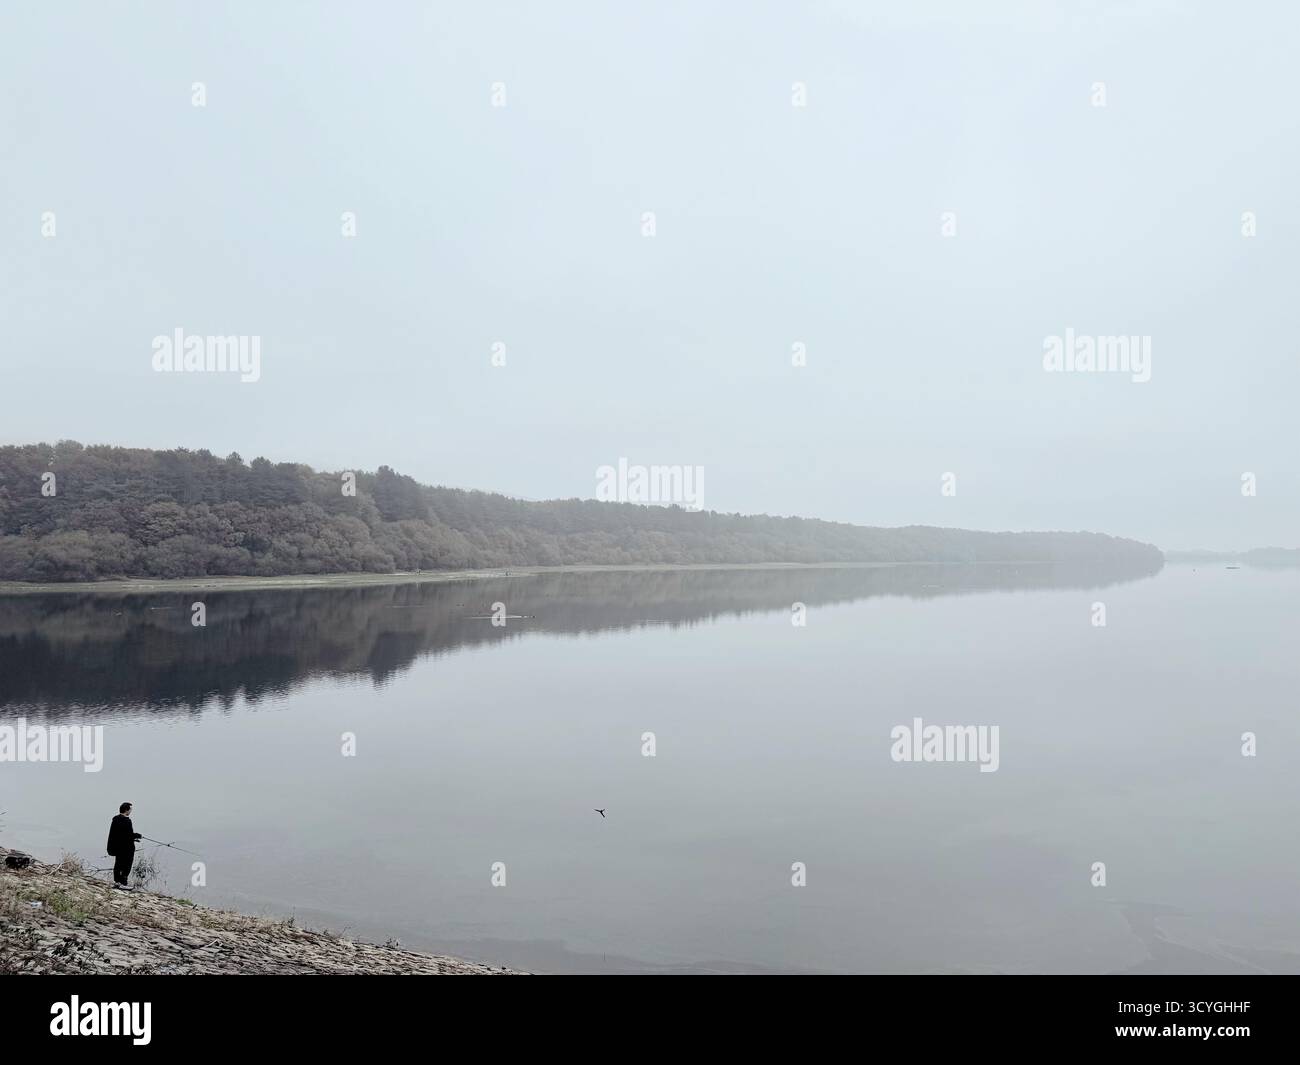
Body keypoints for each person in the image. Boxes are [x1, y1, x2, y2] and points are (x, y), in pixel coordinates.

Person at [106, 802, 142, 889]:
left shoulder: (115, 819)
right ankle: (123, 883)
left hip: (117, 848)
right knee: (126, 865)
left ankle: (117, 882)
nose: (130, 811)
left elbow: (119, 834)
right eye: (130, 809)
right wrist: (137, 835)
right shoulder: (126, 821)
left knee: (118, 864)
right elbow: (128, 835)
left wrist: (133, 837)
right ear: (126, 810)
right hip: (126, 849)